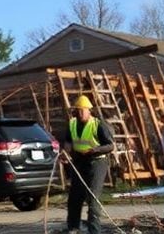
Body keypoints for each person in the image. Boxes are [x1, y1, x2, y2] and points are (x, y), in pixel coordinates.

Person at [60, 94, 115, 234]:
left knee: (92, 198)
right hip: (79, 162)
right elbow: (68, 140)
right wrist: (66, 151)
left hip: (97, 162)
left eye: (81, 110)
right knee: (74, 196)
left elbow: (110, 146)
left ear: (89, 110)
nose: (79, 113)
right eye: (76, 111)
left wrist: (94, 150)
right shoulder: (72, 123)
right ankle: (73, 228)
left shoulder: (98, 124)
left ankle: (94, 230)